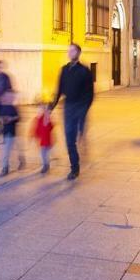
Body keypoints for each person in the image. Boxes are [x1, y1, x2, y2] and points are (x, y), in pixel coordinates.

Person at [52, 43, 94, 180]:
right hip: (68, 107)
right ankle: (74, 167)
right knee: (70, 139)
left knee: (79, 133)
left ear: (78, 53)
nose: (69, 53)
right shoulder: (64, 70)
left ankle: (82, 135)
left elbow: (90, 94)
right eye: (68, 50)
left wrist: (84, 110)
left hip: (80, 107)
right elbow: (59, 89)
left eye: (72, 50)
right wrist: (51, 106)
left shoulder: (85, 71)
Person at [0, 91, 24, 175]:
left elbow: (19, 118)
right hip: (3, 133)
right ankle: (6, 167)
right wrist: (1, 119)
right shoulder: (1, 107)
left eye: (11, 97)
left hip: (11, 133)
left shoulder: (13, 108)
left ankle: (7, 167)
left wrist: (11, 119)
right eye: (6, 97)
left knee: (9, 151)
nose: (8, 99)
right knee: (5, 152)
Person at [32, 104, 55, 174]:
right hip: (43, 140)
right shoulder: (39, 119)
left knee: (44, 154)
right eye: (39, 110)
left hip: (47, 140)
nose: (39, 111)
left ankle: (46, 165)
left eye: (41, 110)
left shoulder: (47, 119)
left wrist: (47, 116)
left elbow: (49, 126)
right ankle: (46, 165)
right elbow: (37, 129)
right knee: (44, 154)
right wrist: (35, 135)